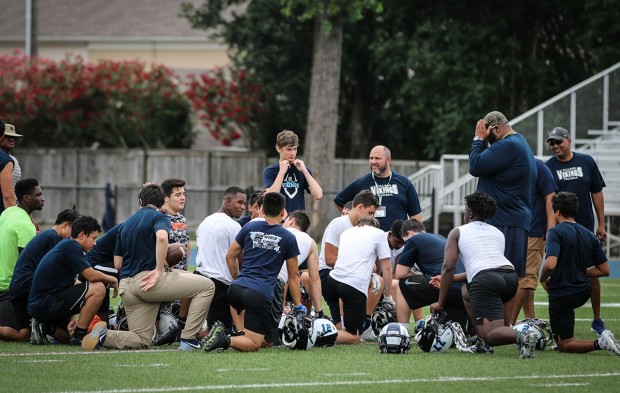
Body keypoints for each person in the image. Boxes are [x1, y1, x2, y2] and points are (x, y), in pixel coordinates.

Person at [81, 183, 215, 351]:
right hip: (149, 282)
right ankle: (188, 339)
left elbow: (118, 264)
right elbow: (161, 237)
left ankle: (103, 335)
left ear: (140, 201)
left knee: (142, 339)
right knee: (207, 286)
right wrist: (159, 269)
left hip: (127, 286)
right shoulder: (159, 217)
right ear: (162, 202)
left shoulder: (127, 223)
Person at [431, 191, 538, 359]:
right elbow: (487, 266)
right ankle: (483, 341)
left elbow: (448, 267)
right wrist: (450, 279)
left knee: (491, 335)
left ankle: (522, 336)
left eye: (466, 209)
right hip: (510, 277)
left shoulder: (457, 231)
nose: (465, 212)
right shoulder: (497, 232)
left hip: (487, 281)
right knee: (466, 292)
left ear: (470, 213)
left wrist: (440, 302)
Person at [201, 192, 306, 353]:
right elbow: (293, 276)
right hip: (259, 294)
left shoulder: (249, 227)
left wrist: (238, 279)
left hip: (235, 291)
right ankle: (225, 338)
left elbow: (230, 256)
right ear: (283, 212)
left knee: (253, 336)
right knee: (255, 344)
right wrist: (298, 305)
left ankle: (235, 334)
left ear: (262, 210)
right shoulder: (288, 237)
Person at [539, 191, 619, 355]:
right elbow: (604, 269)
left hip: (562, 293)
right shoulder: (589, 234)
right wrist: (581, 272)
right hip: (583, 292)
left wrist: (542, 278)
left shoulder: (555, 232)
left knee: (565, 346)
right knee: (561, 331)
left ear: (558, 212)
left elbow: (550, 264)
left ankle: (601, 343)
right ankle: (561, 336)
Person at [545, 126, 607, 334]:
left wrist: (601, 223)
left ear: (568, 140)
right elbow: (548, 200)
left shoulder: (586, 161)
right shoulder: (549, 167)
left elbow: (596, 192)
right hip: (561, 230)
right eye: (551, 143)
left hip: (585, 228)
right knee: (556, 271)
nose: (555, 146)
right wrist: (551, 228)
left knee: (593, 274)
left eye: (558, 142)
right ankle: (562, 319)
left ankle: (597, 319)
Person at [469, 111, 536, 286]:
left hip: (505, 221)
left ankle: (500, 315)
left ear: (496, 128)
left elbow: (475, 166)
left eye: (487, 134)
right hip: (511, 219)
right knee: (506, 276)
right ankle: (499, 315)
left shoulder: (509, 145)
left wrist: (478, 140)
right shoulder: (519, 143)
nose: (487, 140)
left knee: (502, 276)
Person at [28, 216, 117, 345]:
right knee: (98, 288)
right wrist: (113, 279)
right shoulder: (71, 246)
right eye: (93, 238)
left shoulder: (68, 246)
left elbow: (73, 284)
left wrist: (72, 316)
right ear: (82, 235)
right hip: (45, 303)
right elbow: (91, 276)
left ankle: (45, 327)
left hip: (42, 304)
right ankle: (80, 335)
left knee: (68, 338)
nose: (95, 243)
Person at [1, 209, 79, 343]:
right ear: (65, 225)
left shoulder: (47, 236)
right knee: (72, 291)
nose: (74, 239)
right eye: (74, 233)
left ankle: (44, 326)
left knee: (23, 335)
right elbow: (58, 277)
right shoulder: (55, 240)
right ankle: (46, 324)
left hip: (18, 289)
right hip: (29, 287)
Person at [324, 216, 393, 344]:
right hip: (352, 286)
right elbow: (387, 268)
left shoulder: (347, 232)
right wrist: (388, 297)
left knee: (344, 328)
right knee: (354, 338)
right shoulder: (379, 234)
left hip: (332, 280)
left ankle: (341, 326)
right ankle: (315, 332)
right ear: (375, 226)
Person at [395, 219, 468, 332]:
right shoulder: (440, 237)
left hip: (440, 283)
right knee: (452, 337)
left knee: (401, 285)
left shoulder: (414, 239)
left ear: (409, 233)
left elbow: (400, 273)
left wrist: (420, 276)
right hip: (462, 291)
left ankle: (402, 331)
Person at [312, 190, 379, 312]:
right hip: (329, 274)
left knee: (379, 281)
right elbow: (330, 259)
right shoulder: (338, 224)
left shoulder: (364, 228)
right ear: (360, 207)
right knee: (346, 329)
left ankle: (365, 321)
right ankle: (360, 322)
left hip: (347, 275)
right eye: (370, 213)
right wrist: (361, 264)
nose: (371, 217)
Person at [334, 145, 422, 232]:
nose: (373, 161)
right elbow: (338, 201)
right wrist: (354, 220)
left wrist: (415, 238)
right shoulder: (362, 182)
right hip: (369, 239)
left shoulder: (404, 182)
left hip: (397, 240)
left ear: (388, 160)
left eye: (377, 158)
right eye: (371, 158)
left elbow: (415, 216)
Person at [195, 186, 246, 332]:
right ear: (228, 201)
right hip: (222, 286)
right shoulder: (234, 226)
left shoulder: (204, 222)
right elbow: (239, 259)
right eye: (239, 203)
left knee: (208, 328)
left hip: (200, 278)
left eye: (243, 204)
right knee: (220, 333)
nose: (242, 207)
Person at [511, 159, 556, 323]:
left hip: (533, 232)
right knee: (525, 281)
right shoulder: (511, 165)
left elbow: (550, 197)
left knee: (526, 280)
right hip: (514, 232)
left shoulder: (538, 167)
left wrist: (551, 229)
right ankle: (530, 321)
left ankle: (509, 324)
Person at [0, 179, 45, 333]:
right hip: (8, 290)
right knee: (23, 334)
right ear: (27, 198)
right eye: (38, 195)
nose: (43, 198)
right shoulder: (25, 227)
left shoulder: (8, 212)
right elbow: (29, 266)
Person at [263, 130, 323, 212]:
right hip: (278, 220)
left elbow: (318, 195)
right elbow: (272, 197)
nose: (293, 153)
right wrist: (282, 172)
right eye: (289, 149)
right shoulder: (270, 171)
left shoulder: (302, 169)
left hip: (298, 220)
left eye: (295, 149)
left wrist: (305, 171)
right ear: (278, 148)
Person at [280, 210, 324, 317]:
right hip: (280, 285)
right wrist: (319, 311)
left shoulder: (277, 231)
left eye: (285, 220)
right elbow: (315, 279)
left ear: (291, 220)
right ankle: (305, 318)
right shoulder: (310, 242)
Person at [86, 222, 123, 325]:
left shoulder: (131, 226)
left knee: (103, 293)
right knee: (128, 275)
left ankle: (104, 324)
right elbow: (118, 265)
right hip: (95, 264)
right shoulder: (127, 229)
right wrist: (114, 280)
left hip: (105, 263)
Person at [161, 178, 189, 271]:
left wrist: (186, 269)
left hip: (181, 275)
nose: (183, 198)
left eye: (183, 194)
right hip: (166, 275)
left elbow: (186, 244)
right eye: (178, 195)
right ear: (166, 197)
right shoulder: (159, 218)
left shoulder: (182, 219)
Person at [0, 120, 17, 215]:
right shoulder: (5, 160)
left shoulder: (11, 160)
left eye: (14, 137)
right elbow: (8, 197)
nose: (11, 139)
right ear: (1, 136)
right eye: (7, 136)